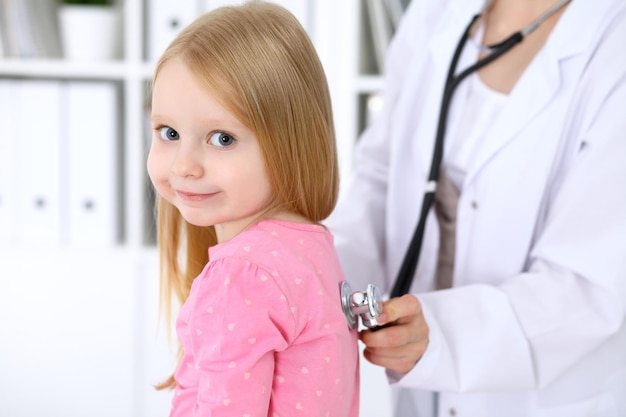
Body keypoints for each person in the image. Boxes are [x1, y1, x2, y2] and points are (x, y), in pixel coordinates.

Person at [326, 0, 626, 415]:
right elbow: (378, 179)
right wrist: (319, 277)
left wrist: (440, 334)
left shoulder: (614, 43)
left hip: (543, 400)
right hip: (416, 398)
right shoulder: (435, 13)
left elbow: (587, 283)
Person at [146, 2, 359, 416]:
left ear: (291, 142)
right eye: (168, 133)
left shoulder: (241, 275)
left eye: (222, 138)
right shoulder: (312, 248)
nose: (184, 166)